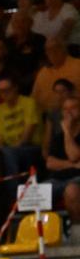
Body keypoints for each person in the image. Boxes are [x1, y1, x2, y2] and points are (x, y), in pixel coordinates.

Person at [0, 77, 44, 176]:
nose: (4, 93)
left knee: (9, 153)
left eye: (7, 89)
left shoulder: (29, 103)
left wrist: (11, 149)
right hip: (10, 149)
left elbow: (28, 134)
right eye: (1, 91)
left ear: (15, 88)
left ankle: (14, 185)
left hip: (31, 146)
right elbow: (0, 138)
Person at [45, 94, 80, 233]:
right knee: (34, 193)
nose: (68, 112)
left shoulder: (65, 134)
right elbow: (50, 163)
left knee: (71, 191)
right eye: (65, 109)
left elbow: (73, 155)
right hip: (57, 179)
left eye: (73, 108)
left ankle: (76, 232)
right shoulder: (58, 138)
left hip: (77, 179)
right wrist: (74, 165)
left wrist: (67, 131)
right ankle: (45, 235)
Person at [34, 39, 80, 114]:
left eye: (55, 48)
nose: (51, 53)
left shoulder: (78, 65)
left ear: (64, 49)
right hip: (47, 115)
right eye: (48, 50)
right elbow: (34, 98)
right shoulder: (43, 72)